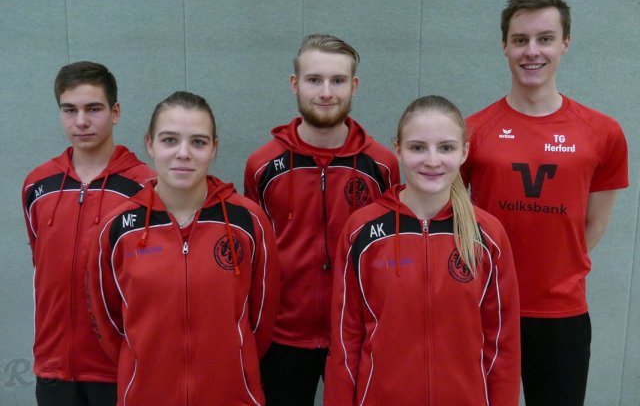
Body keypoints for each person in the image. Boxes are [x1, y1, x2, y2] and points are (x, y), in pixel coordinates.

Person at [462, 0, 629, 406]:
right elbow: (454, 216)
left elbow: (594, 224)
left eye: (545, 39)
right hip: (484, 307)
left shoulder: (603, 133)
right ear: (504, 46)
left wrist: (554, 270)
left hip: (562, 314)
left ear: (565, 43)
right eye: (520, 40)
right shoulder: (473, 131)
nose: (532, 51)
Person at [324, 95, 521, 405]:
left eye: (446, 148)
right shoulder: (362, 232)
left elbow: (503, 346)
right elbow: (345, 342)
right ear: (398, 150)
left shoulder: (487, 235)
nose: (432, 160)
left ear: (464, 152)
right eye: (417, 147)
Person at [86, 91, 279, 406]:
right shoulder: (117, 228)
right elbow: (108, 322)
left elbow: (261, 320)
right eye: (170, 140)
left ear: (214, 148)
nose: (183, 153)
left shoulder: (248, 221)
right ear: (150, 144)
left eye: (198, 142)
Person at [244, 34, 400, 405]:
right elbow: (254, 256)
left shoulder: (381, 166)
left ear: (354, 86)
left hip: (356, 334)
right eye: (314, 80)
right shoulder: (262, 165)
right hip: (282, 337)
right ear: (295, 84)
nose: (326, 92)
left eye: (338, 80)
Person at [22, 61, 154, 406]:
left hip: (120, 368)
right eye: (70, 110)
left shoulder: (146, 188)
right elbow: (41, 263)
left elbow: (154, 277)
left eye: (93, 109)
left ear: (115, 112)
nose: (81, 121)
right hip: (53, 368)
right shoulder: (37, 185)